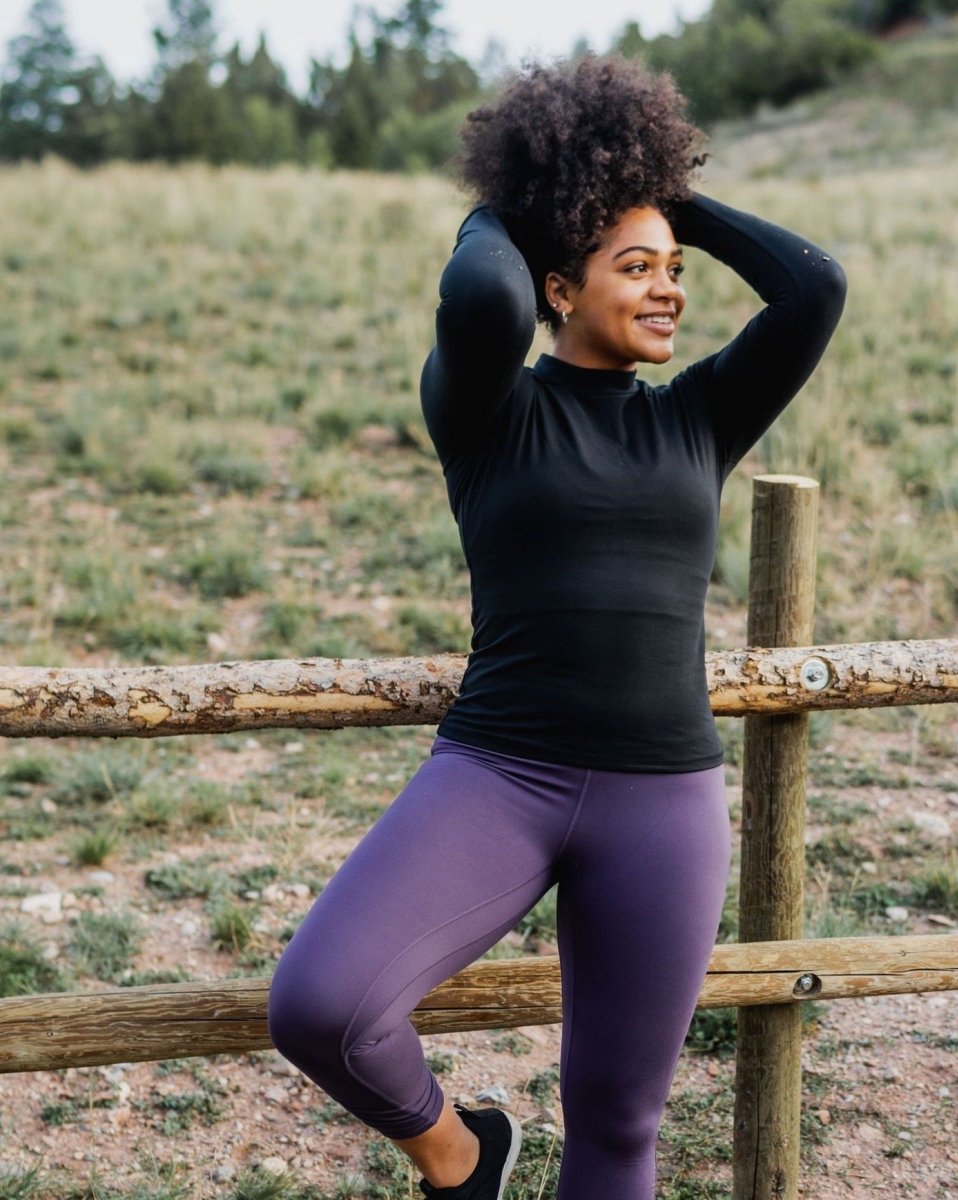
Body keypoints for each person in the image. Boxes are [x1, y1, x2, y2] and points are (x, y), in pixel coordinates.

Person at [267, 54, 847, 1200]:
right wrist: (516, 203)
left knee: (619, 1127)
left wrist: (666, 202)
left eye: (676, 271)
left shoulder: (700, 419)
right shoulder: (491, 411)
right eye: (635, 268)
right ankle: (462, 1157)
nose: (669, 290)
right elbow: (482, 298)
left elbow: (813, 288)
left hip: (663, 801)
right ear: (560, 289)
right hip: (502, 773)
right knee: (323, 1003)